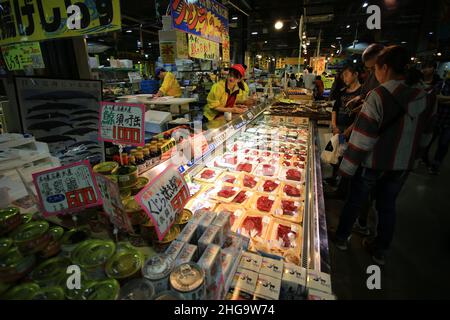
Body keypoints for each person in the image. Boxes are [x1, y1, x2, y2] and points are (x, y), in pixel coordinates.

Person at [333, 46, 435, 265]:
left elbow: (362, 139)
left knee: (355, 200)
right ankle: (380, 250)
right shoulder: (425, 96)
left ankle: (342, 238)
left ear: (385, 68)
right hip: (403, 163)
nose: (373, 74)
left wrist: (346, 170)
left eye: (375, 69)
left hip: (374, 161)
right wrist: (417, 156)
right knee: (387, 205)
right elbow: (428, 133)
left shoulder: (380, 95)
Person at [422, 62, 449, 175]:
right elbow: (434, 96)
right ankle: (423, 158)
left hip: (448, 121)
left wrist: (443, 99)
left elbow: (438, 97)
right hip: (437, 117)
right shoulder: (441, 84)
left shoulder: (439, 83)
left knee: (443, 144)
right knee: (428, 140)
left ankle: (435, 165)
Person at [331, 65, 362, 138]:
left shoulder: (361, 93)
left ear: (355, 74)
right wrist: (334, 126)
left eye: (346, 75)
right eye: (343, 77)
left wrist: (349, 130)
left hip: (353, 131)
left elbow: (360, 115)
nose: (344, 79)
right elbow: (335, 109)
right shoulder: (342, 91)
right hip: (338, 129)